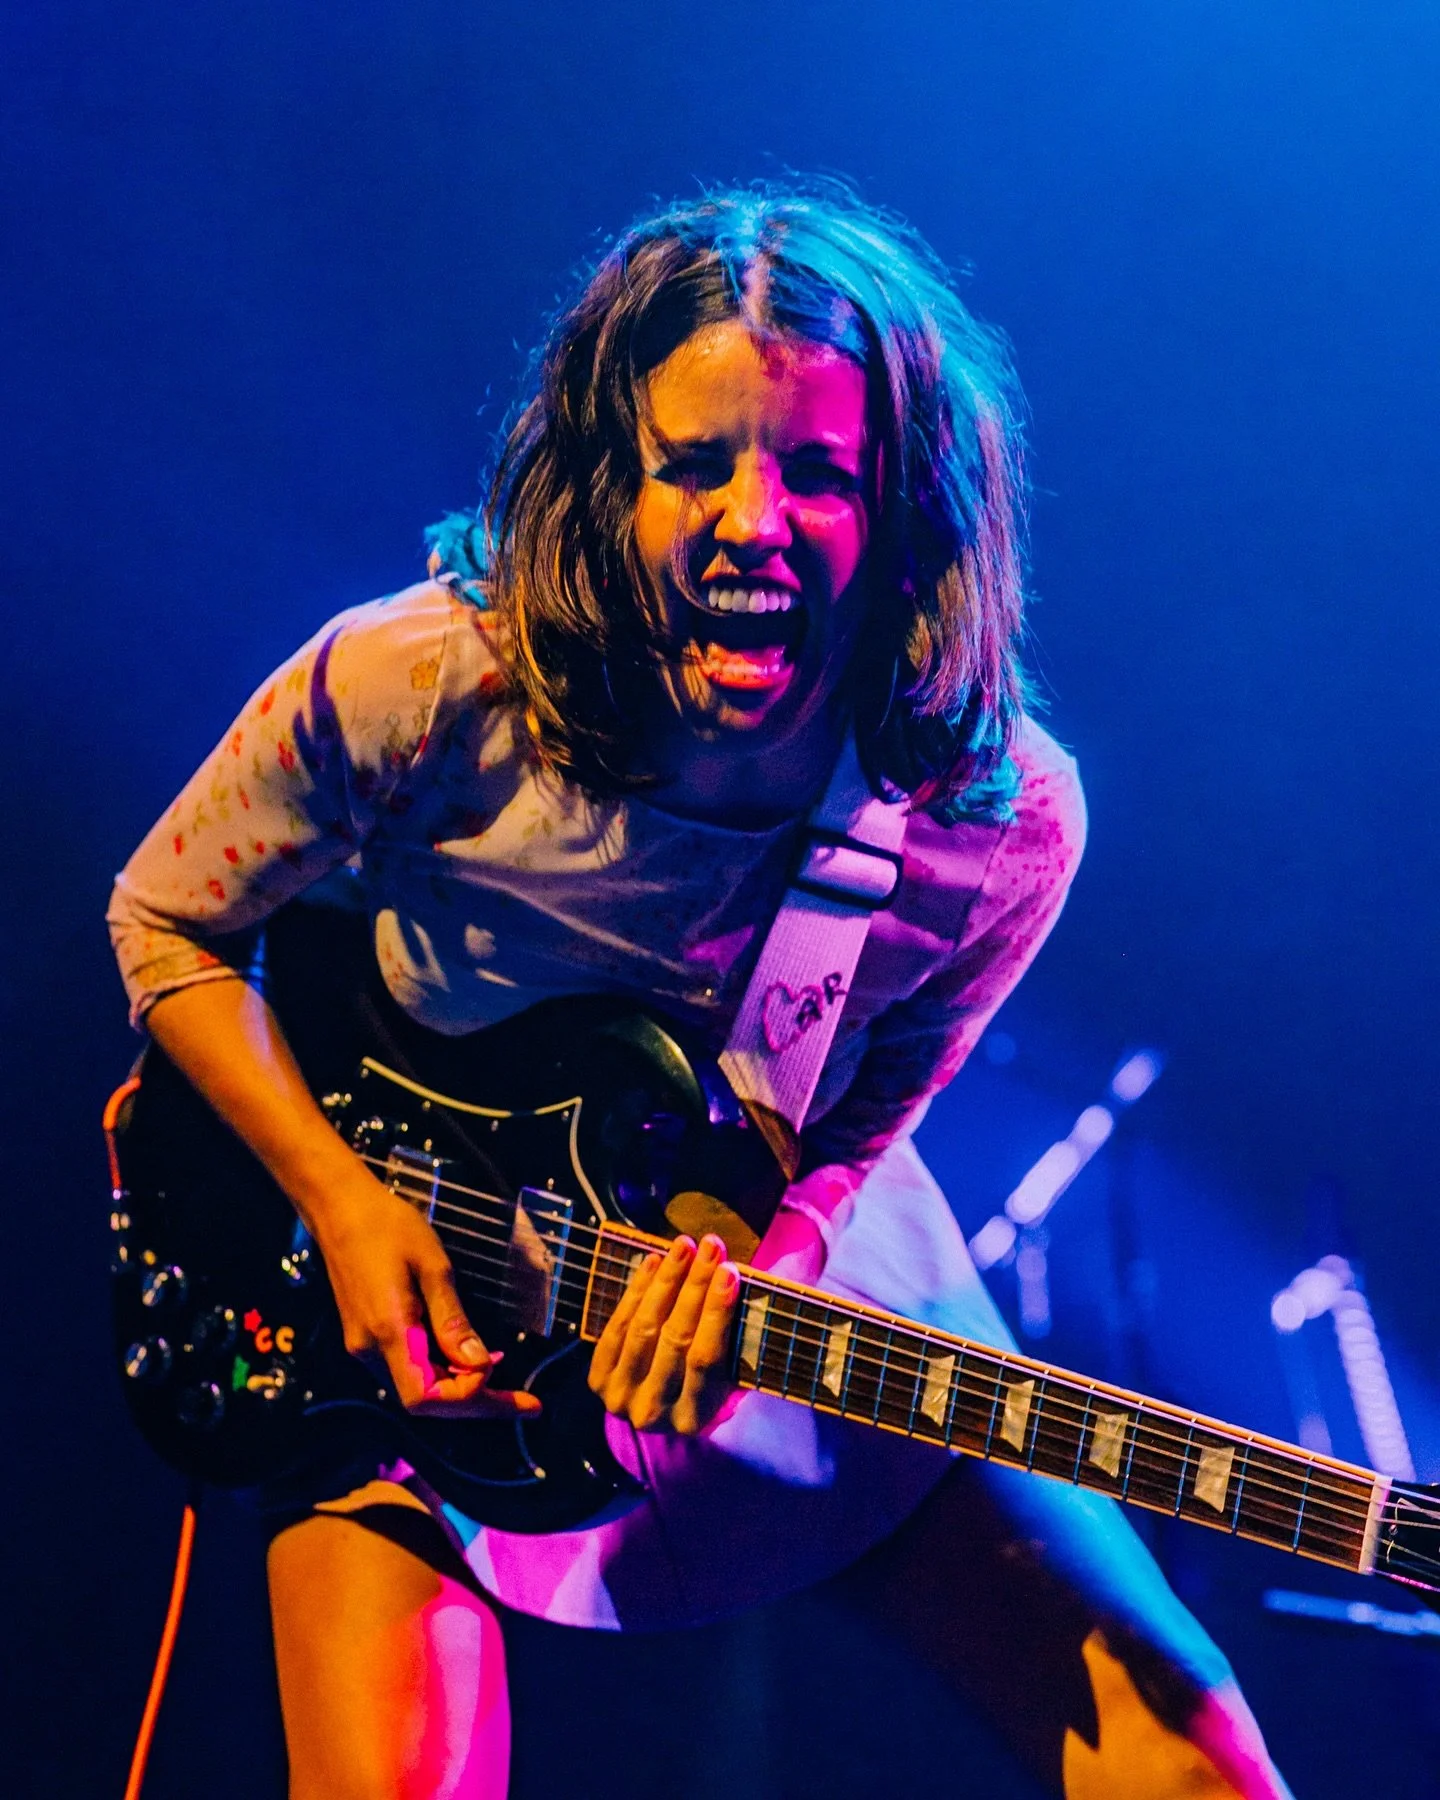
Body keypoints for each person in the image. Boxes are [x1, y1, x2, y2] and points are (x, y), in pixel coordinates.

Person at [109, 184, 1292, 1799]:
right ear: (608, 482)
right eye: (694, 464)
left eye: (820, 470)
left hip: (779, 1277)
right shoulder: (423, 681)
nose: (757, 518)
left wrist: (766, 1258)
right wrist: (341, 1197)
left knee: (1184, 1741)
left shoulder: (991, 819)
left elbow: (868, 1119)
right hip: (398, 1283)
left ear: (909, 505)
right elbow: (168, 921)